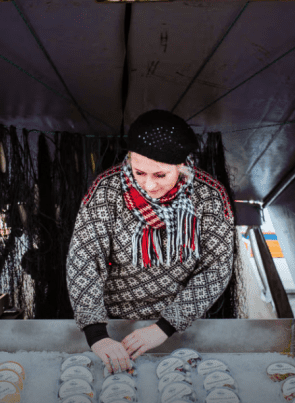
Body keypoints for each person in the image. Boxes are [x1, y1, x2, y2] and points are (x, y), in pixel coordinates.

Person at [66, 110, 235, 374]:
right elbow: (84, 259)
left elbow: (216, 268)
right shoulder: (106, 191)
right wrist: (96, 334)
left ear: (181, 166)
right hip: (115, 325)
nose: (148, 185)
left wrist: (165, 327)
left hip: (181, 326)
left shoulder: (209, 197)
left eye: (160, 175)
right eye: (139, 172)